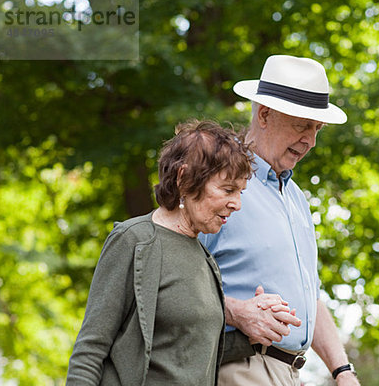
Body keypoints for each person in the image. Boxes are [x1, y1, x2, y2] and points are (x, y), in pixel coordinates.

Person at [199, 55, 360, 385]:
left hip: (290, 374)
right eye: (302, 125)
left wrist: (342, 371)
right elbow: (172, 280)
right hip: (237, 366)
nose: (311, 141)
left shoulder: (297, 200)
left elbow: (310, 299)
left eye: (317, 129)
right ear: (265, 115)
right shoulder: (218, 185)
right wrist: (236, 312)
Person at [66, 120, 253, 386]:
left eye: (241, 192)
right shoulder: (134, 240)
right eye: (228, 190)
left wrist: (255, 334)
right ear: (184, 179)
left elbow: (191, 352)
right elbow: (91, 348)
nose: (237, 204)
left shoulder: (205, 257)